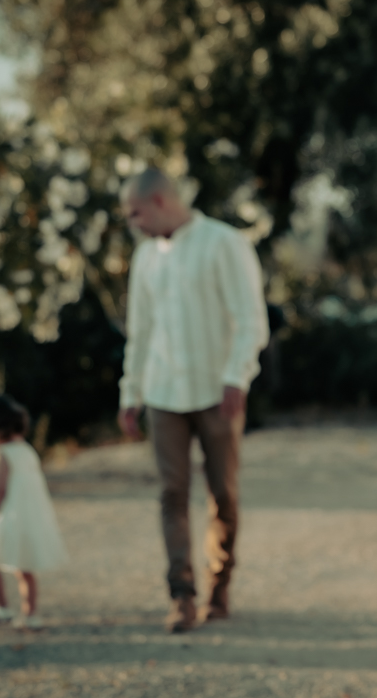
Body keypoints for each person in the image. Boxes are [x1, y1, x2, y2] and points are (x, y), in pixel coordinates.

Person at [116, 168, 269, 633]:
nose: (132, 224)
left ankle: (220, 586)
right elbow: (139, 332)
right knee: (171, 495)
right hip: (163, 394)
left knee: (223, 493)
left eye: (135, 213)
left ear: (161, 201)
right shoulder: (145, 259)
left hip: (217, 392)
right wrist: (130, 392)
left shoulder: (225, 244)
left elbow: (250, 319)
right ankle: (181, 595)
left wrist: (236, 378)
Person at [0, 393, 68, 630]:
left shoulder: (3, 455)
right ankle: (30, 614)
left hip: (8, 520)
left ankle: (1, 609)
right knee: (25, 569)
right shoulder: (27, 450)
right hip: (29, 520)